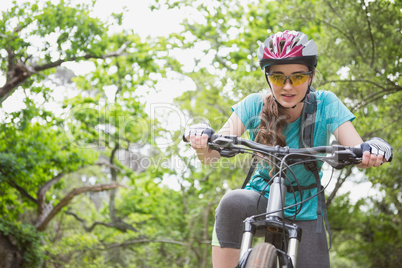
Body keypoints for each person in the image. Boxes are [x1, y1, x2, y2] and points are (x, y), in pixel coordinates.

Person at [184, 30, 393, 268]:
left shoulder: (326, 105)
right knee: (232, 202)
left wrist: (370, 151)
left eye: (297, 77)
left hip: (306, 207)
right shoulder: (253, 105)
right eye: (277, 77)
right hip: (260, 197)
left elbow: (357, 147)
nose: (287, 86)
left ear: (311, 76)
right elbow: (212, 154)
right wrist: (202, 141)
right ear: (267, 78)